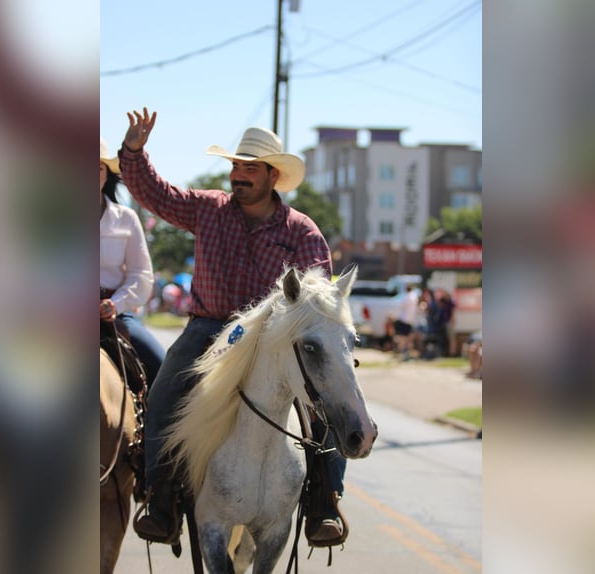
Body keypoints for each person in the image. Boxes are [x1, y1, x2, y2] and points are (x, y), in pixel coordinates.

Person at [118, 108, 347, 547]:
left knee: (330, 402)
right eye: (236, 167)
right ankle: (162, 499)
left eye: (250, 169)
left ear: (272, 175)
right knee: (165, 394)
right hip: (209, 330)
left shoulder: (302, 231)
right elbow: (157, 194)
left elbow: (318, 298)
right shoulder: (208, 210)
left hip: (274, 339)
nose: (239, 176)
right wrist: (134, 151)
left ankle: (324, 501)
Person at [100, 137, 166, 385]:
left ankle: (156, 424)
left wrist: (115, 304)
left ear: (106, 175)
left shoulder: (125, 219)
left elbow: (141, 275)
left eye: (96, 168)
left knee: (161, 368)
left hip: (116, 312)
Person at [393, 285, 419, 360]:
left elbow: (401, 307)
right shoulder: (415, 297)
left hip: (404, 319)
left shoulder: (406, 297)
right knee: (409, 337)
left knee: (402, 337)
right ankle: (408, 352)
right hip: (411, 320)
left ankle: (400, 352)